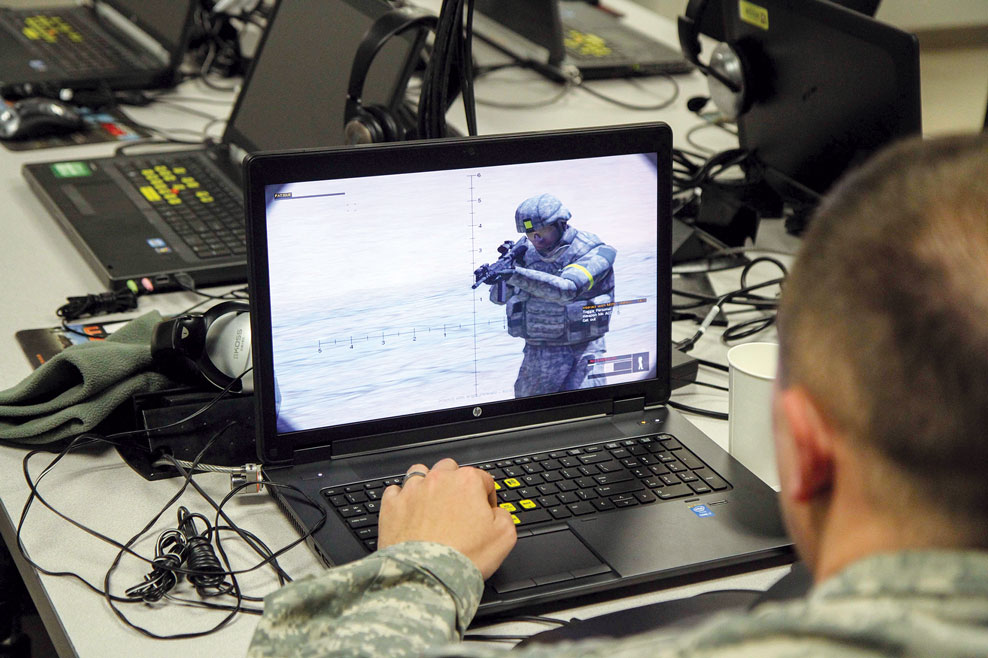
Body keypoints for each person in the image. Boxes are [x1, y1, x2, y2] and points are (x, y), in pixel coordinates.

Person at [248, 133, 988, 657]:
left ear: (805, 450)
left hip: (577, 355)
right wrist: (497, 274)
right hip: (539, 357)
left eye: (538, 233)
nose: (533, 242)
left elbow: (302, 647)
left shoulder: (589, 250)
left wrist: (421, 562)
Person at [480, 193, 617, 396]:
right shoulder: (525, 254)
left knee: (587, 409)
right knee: (527, 413)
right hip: (538, 350)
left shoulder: (593, 250)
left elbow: (567, 289)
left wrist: (514, 274)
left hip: (582, 349)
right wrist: (500, 277)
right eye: (531, 234)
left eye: (542, 232)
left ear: (561, 224)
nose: (537, 239)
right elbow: (498, 300)